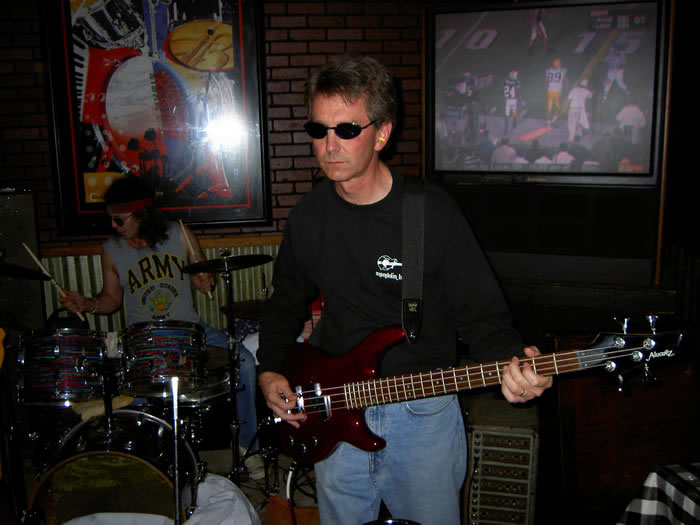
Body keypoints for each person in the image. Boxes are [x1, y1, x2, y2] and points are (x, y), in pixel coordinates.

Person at [257, 54, 553, 525]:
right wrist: (270, 369)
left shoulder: (430, 212)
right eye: (319, 130)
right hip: (335, 404)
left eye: (346, 130)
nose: (330, 145)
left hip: (421, 413)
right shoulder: (309, 217)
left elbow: (483, 314)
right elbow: (283, 304)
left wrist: (512, 361)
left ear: (381, 133)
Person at [60, 176, 261, 476]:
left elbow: (202, 274)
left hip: (190, 329)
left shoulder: (179, 234)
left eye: (119, 219)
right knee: (137, 395)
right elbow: (111, 300)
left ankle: (248, 447)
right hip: (145, 339)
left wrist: (206, 279)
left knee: (242, 361)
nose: (113, 226)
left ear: (141, 214)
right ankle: (147, 461)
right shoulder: (112, 250)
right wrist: (87, 304)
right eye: (111, 219)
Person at [545, 57, 568, 125]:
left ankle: (548, 121)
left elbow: (546, 81)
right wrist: (566, 89)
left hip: (549, 91)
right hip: (557, 92)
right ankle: (554, 119)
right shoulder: (563, 71)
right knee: (559, 107)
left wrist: (545, 89)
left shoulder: (548, 70)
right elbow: (565, 81)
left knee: (549, 107)